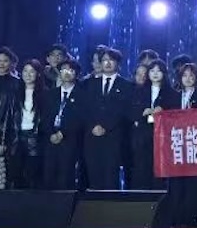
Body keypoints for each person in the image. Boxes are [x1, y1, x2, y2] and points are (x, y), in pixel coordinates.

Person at [166, 64, 197, 226]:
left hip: (194, 143)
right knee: (176, 180)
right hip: (176, 143)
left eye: (191, 76)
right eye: (185, 75)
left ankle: (191, 213)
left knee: (193, 180)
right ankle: (175, 213)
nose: (188, 79)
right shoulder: (173, 96)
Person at [83, 48, 130, 191]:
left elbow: (123, 111)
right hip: (92, 136)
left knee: (111, 178)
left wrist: (106, 126)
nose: (108, 63)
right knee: (93, 176)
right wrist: (93, 125)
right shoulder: (89, 84)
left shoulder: (127, 85)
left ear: (118, 63)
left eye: (111, 60)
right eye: (104, 60)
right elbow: (84, 108)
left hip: (113, 137)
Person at [128, 60, 177, 190]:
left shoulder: (171, 93)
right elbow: (130, 111)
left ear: (164, 73)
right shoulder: (139, 91)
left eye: (158, 71)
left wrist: (163, 110)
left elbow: (175, 114)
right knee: (141, 167)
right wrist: (143, 112)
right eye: (152, 71)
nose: (155, 74)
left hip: (162, 136)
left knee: (159, 169)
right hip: (142, 135)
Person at [41, 59, 83, 190]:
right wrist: (51, 133)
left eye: (71, 70)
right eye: (64, 69)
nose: (67, 73)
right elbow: (45, 117)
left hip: (70, 140)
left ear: (76, 73)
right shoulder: (51, 94)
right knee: (48, 177)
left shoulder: (82, 94)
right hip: (51, 140)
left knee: (65, 178)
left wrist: (62, 133)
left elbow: (80, 118)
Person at [7, 59, 46, 190]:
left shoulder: (45, 94)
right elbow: (9, 117)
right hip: (17, 137)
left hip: (35, 138)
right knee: (16, 175)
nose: (28, 74)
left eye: (32, 71)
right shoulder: (14, 93)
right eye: (25, 71)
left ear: (38, 74)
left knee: (33, 176)